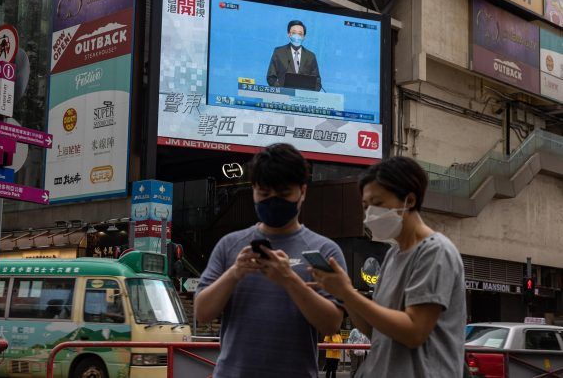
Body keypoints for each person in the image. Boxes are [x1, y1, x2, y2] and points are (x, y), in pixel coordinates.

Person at [195, 143, 346, 378]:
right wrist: (235, 273)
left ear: (302, 192)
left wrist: (288, 280)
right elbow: (202, 313)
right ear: (253, 190)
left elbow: (331, 325)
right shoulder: (230, 245)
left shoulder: (324, 250)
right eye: (264, 194)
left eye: (284, 193)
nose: (273, 201)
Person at [310, 156, 466, 378]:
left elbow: (414, 331)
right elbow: (374, 330)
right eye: (366, 206)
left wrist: (347, 293)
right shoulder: (393, 254)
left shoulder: (435, 252)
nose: (370, 214)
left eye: (378, 203)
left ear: (409, 200)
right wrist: (344, 293)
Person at [267, 20, 322, 91]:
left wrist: (306, 95)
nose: (297, 36)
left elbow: (317, 82)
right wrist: (281, 91)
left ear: (304, 37)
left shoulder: (311, 56)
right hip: (282, 96)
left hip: (302, 99)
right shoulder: (279, 52)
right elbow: (271, 77)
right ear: (289, 34)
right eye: (294, 33)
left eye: (300, 34)